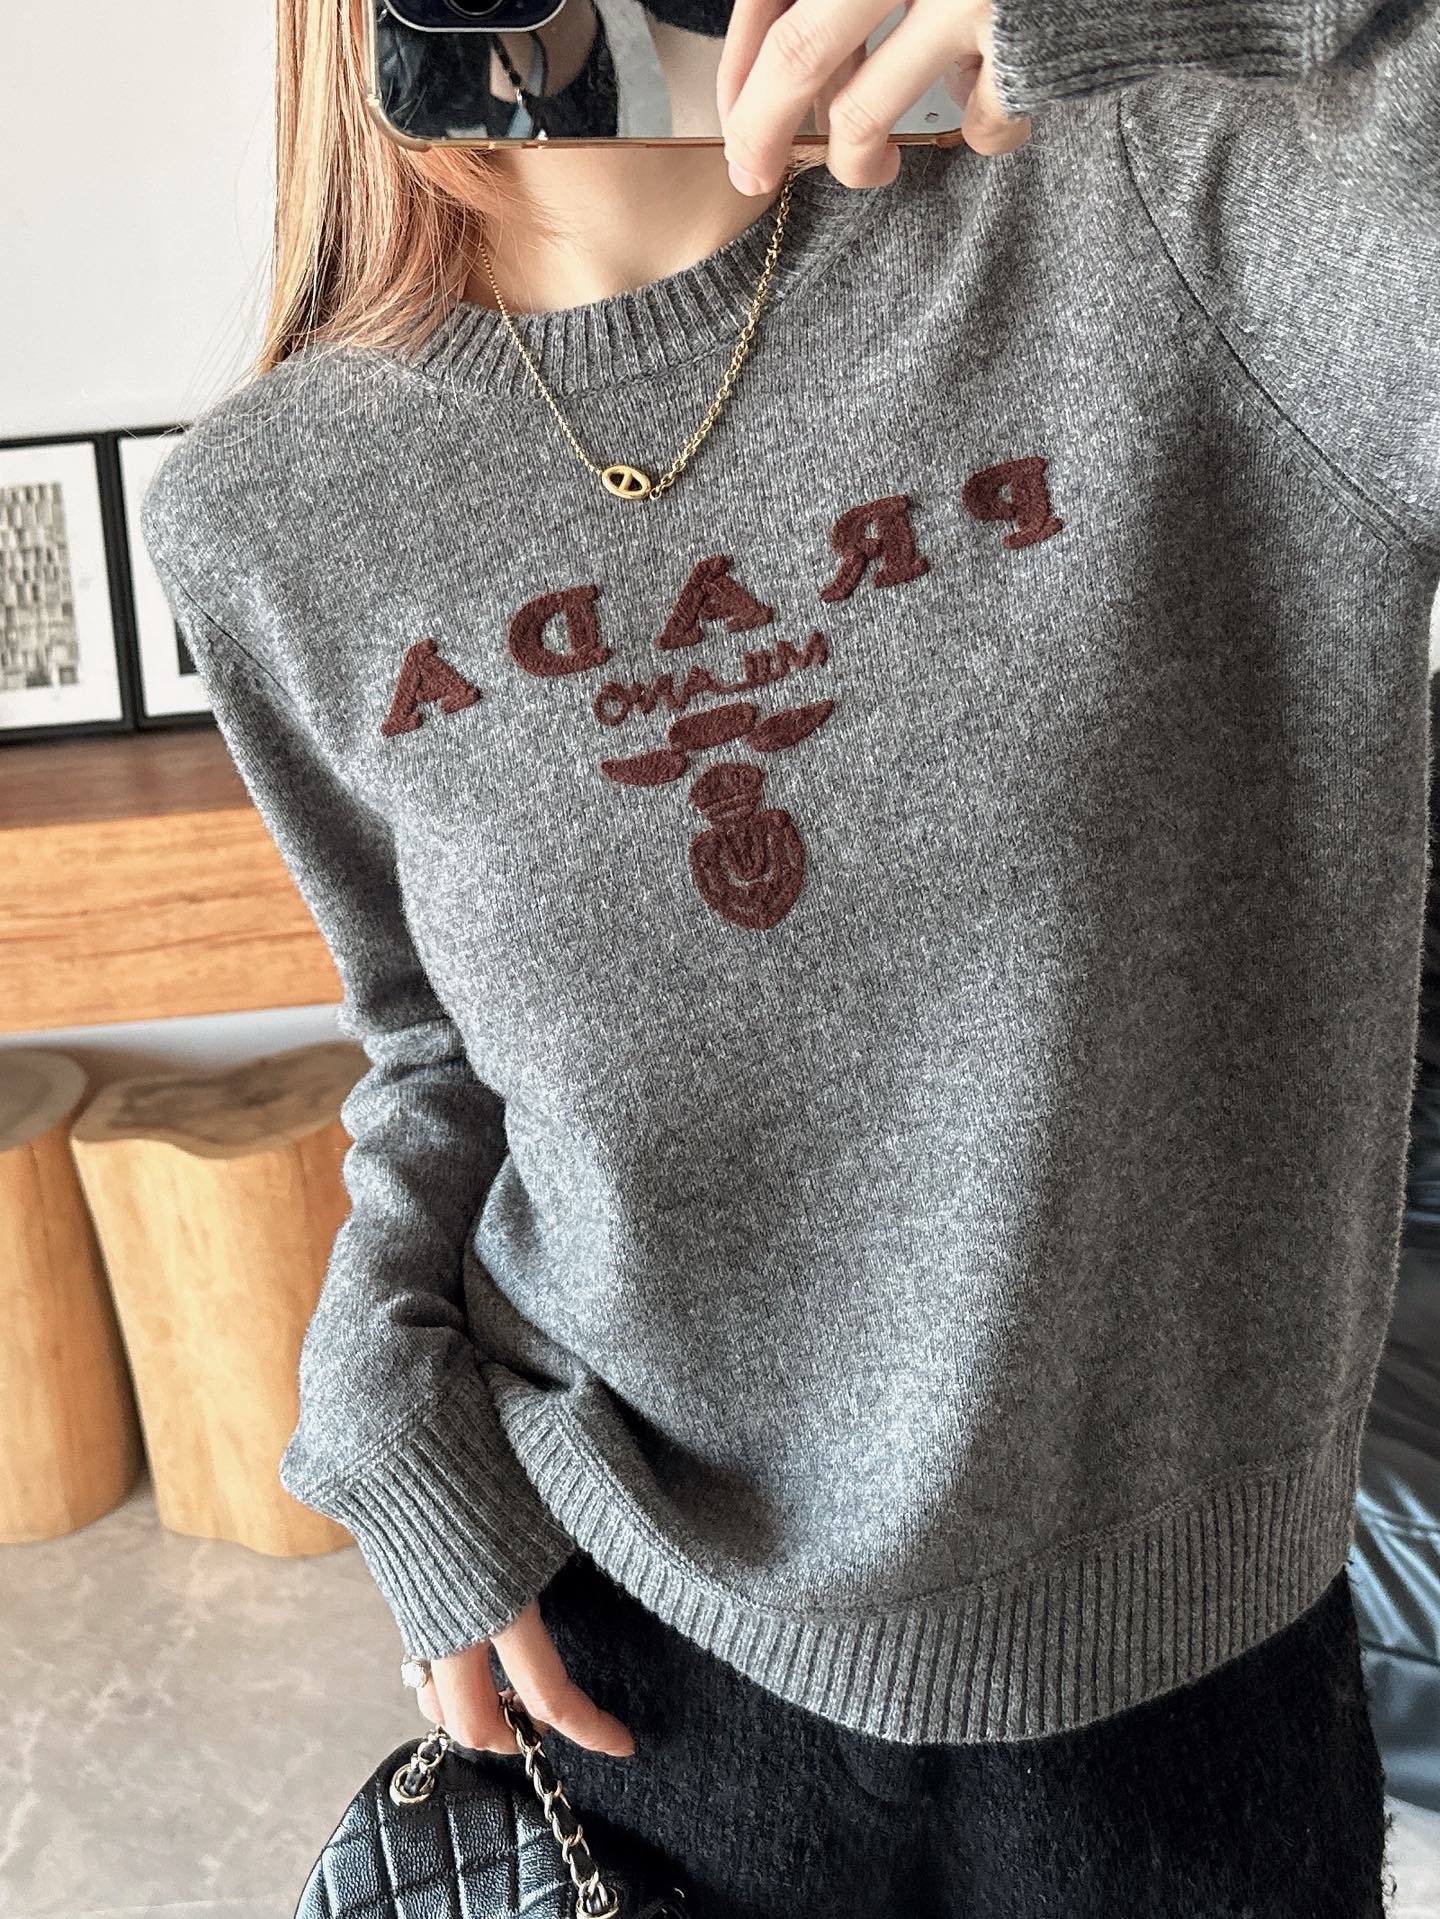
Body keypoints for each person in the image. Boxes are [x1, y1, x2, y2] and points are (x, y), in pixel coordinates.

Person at [140, 1, 1439, 1912]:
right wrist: (384, 1395)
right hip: (640, 1655)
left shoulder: (1168, 211)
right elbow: (429, 1040)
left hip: (1179, 1670)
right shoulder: (268, 511)